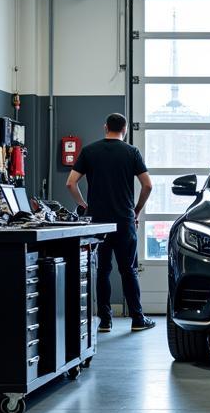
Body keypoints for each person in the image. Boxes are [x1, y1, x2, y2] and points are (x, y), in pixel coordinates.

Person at [66, 113, 154, 333]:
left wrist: (84, 206)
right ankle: (137, 319)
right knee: (129, 271)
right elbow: (148, 186)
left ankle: (105, 321)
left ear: (105, 127)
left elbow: (70, 183)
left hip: (98, 223)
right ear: (124, 129)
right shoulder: (131, 152)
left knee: (103, 271)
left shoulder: (89, 151)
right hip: (124, 220)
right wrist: (137, 211)